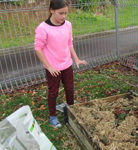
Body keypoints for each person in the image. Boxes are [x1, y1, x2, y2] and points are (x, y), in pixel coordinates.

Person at [34, 0, 88, 128]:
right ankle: (53, 116)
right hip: (53, 68)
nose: (63, 17)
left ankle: (71, 109)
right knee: (53, 92)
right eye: (60, 13)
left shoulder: (67, 25)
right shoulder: (43, 28)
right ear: (51, 10)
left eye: (66, 13)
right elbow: (38, 49)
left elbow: (69, 43)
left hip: (67, 65)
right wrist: (49, 66)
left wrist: (76, 59)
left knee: (70, 89)